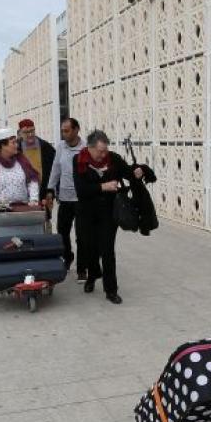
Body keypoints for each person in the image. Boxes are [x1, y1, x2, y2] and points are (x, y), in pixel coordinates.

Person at [74, 130, 145, 305]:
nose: (104, 154)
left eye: (105, 150)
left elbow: (129, 172)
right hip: (86, 212)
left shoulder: (113, 159)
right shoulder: (78, 161)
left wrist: (139, 171)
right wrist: (102, 187)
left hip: (108, 212)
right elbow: (81, 190)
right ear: (90, 148)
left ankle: (111, 290)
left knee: (107, 251)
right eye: (100, 151)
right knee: (88, 247)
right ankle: (92, 276)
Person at [45, 117, 86, 277]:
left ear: (76, 130)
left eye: (67, 130)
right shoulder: (61, 147)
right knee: (62, 233)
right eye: (62, 130)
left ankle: (82, 268)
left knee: (82, 235)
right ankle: (67, 258)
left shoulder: (85, 148)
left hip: (82, 200)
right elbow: (56, 169)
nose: (64, 134)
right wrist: (50, 190)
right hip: (65, 198)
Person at [0, 128, 40, 207]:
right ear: (3, 145)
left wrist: (33, 199)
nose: (17, 145)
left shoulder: (22, 160)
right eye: (13, 143)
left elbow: (32, 180)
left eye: (16, 142)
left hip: (22, 208)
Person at [16, 118, 56, 186]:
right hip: (23, 190)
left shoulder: (45, 147)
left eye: (32, 131)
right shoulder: (16, 149)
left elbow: (54, 169)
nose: (30, 134)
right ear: (20, 133)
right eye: (26, 132)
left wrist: (50, 190)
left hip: (43, 188)